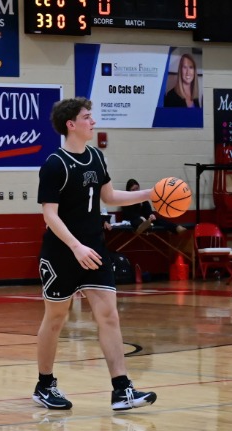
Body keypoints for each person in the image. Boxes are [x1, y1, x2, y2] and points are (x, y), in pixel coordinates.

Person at [34, 97, 157, 411]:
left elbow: (110, 196)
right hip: (62, 252)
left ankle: (122, 389)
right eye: (87, 117)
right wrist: (75, 246)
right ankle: (45, 385)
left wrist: (150, 193)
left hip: (95, 250)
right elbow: (49, 215)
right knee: (55, 319)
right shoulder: (54, 164)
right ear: (71, 124)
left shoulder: (97, 157)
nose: (93, 121)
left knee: (109, 316)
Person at [121, 178, 187, 235]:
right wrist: (139, 217)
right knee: (137, 221)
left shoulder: (142, 199)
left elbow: (148, 211)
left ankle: (176, 228)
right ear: (129, 190)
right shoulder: (125, 200)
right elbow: (128, 214)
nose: (136, 191)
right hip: (133, 219)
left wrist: (151, 215)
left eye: (137, 188)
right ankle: (143, 226)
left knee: (158, 219)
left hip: (146, 219)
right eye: (133, 189)